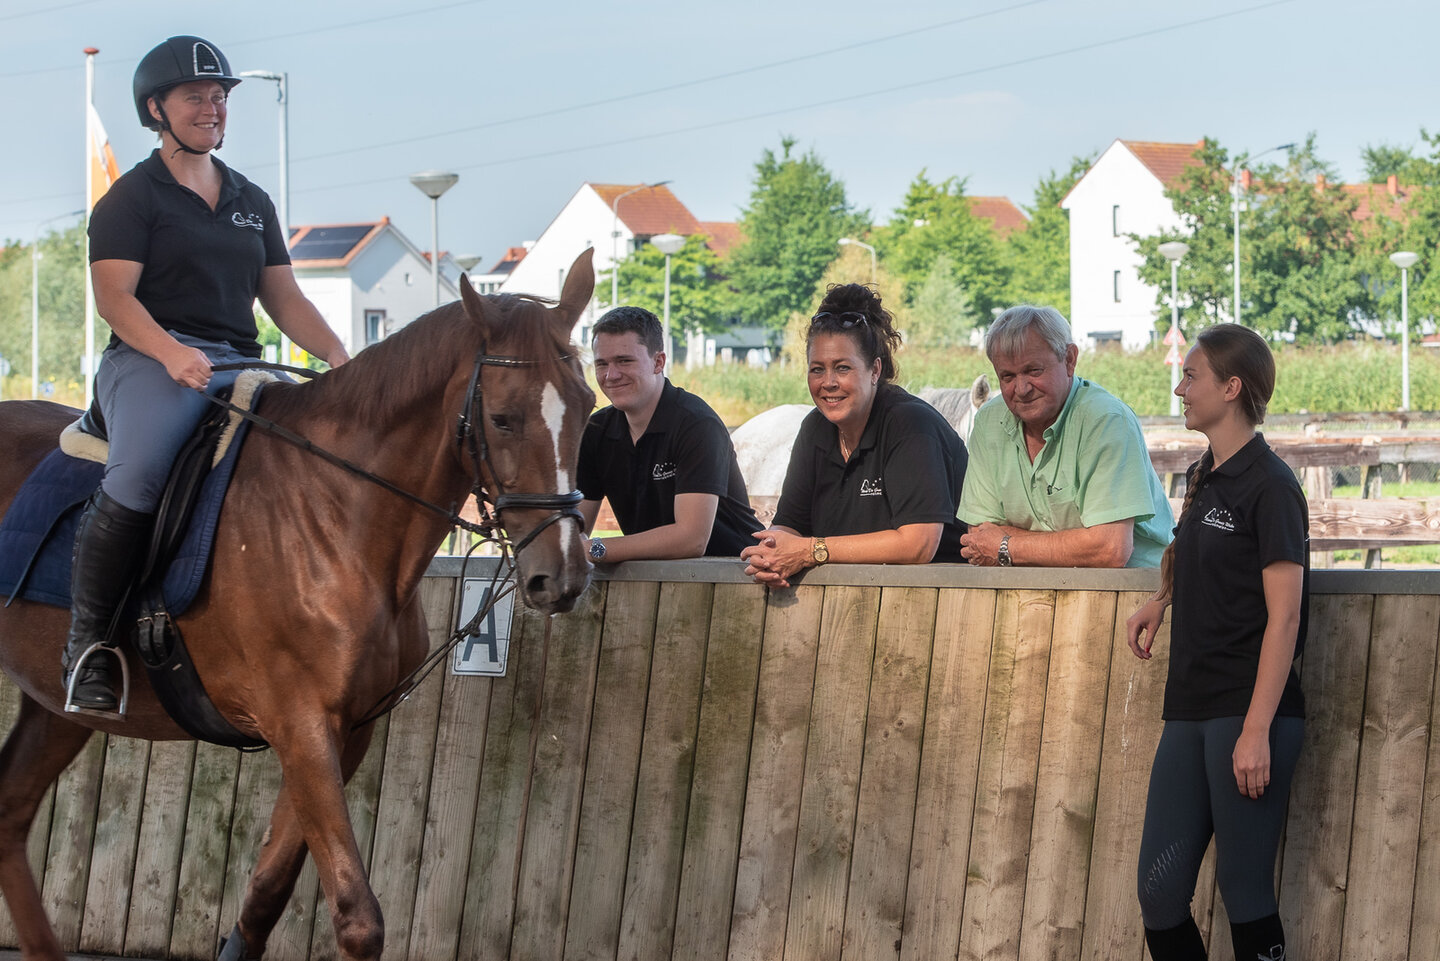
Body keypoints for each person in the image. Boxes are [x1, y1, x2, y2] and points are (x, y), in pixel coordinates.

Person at [64, 36, 350, 713]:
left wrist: (342, 360)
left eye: (220, 98)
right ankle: (88, 646)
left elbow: (284, 300)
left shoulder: (251, 199)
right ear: (156, 108)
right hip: (149, 359)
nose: (213, 108)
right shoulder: (131, 199)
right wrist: (170, 354)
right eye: (197, 97)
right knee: (137, 473)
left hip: (240, 362)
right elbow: (115, 299)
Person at [1125, 324, 1308, 961]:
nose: (1180, 388)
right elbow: (1190, 545)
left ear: (1231, 389)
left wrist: (1256, 730)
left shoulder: (1272, 486)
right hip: (1190, 708)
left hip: (1247, 711)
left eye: (1191, 376)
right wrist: (1163, 597)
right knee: (1159, 890)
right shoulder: (1207, 473)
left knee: (1243, 885)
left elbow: (1284, 619)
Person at [741, 284, 967, 587]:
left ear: (875, 370)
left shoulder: (911, 425)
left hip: (941, 603)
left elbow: (919, 545)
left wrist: (811, 551)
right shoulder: (815, 428)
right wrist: (771, 553)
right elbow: (791, 525)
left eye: (843, 368)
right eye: (817, 369)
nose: (828, 382)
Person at [958, 305, 1171, 568]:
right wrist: (1075, 544)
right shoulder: (989, 421)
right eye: (1007, 376)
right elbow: (978, 538)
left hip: (1135, 594)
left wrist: (1006, 545)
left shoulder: (1106, 420)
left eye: (1034, 371)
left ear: (1070, 359)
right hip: (1034, 590)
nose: (1021, 389)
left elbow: (1111, 550)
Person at [577, 306, 762, 562]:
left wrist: (595, 549)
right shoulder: (595, 431)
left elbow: (691, 540)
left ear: (658, 362)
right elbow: (575, 529)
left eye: (624, 361)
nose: (611, 375)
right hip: (655, 584)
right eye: (601, 364)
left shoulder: (697, 424)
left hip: (735, 578)